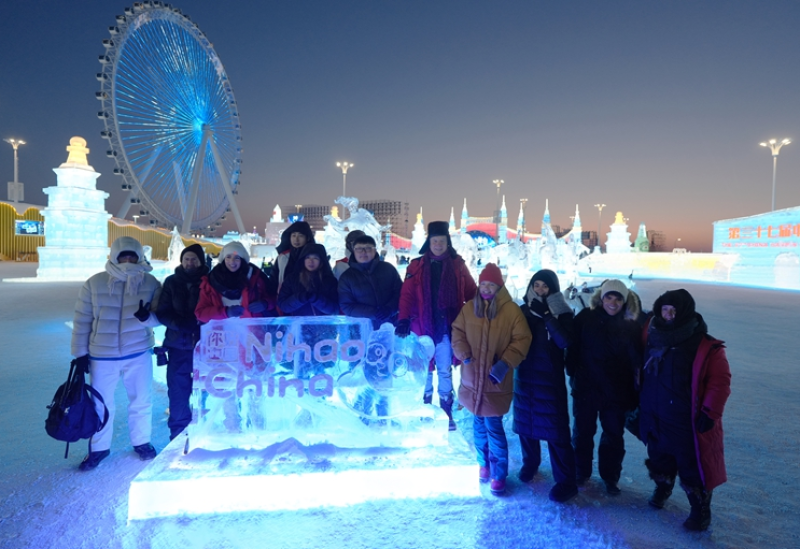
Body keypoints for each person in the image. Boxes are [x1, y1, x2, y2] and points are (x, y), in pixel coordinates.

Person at [640, 289, 731, 531]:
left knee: (691, 464)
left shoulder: (702, 344)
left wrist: (710, 412)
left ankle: (700, 508)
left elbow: (719, 380)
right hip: (654, 413)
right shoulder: (652, 336)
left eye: (674, 311)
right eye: (664, 310)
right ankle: (663, 487)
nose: (669, 315)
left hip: (684, 419)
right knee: (659, 457)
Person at [71, 236, 162, 471]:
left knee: (141, 400)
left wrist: (147, 318)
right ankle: (99, 447)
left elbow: (159, 317)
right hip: (102, 354)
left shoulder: (150, 283)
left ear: (140, 256)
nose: (128, 260)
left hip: (138, 351)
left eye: (132, 255)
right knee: (100, 403)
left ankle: (142, 441)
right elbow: (82, 320)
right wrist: (80, 354)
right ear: (114, 256)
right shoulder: (95, 283)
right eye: (124, 256)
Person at [451, 263, 532, 496]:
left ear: (499, 286)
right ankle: (483, 463)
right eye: (483, 284)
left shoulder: (512, 311)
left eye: (491, 285)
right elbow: (457, 331)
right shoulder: (470, 308)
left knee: (494, 427)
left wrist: (505, 362)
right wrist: (463, 353)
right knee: (477, 425)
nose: (486, 288)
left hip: (494, 381)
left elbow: (522, 339)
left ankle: (499, 473)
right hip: (472, 377)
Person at [396, 221, 477, 431]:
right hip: (423, 327)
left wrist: (480, 314)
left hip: (447, 328)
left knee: (444, 370)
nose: (438, 244)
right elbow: (407, 294)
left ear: (447, 242)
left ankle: (446, 412)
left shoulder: (458, 265)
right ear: (428, 242)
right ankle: (424, 411)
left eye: (442, 241)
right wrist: (403, 319)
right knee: (423, 371)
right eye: (435, 241)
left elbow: (471, 293)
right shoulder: (416, 266)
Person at [566, 278, 643, 495]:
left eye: (618, 298)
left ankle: (610, 477)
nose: (613, 302)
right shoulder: (586, 318)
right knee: (582, 432)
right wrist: (573, 373)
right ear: (601, 298)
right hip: (586, 388)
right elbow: (572, 348)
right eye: (609, 297)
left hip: (616, 393)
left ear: (624, 301)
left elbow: (637, 359)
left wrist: (633, 390)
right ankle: (581, 472)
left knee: (613, 436)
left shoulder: (631, 325)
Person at [513, 269, 579, 502]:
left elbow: (564, 342)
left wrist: (548, 317)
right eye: (537, 285)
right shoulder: (522, 311)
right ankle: (530, 464)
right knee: (525, 423)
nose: (540, 290)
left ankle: (566, 481)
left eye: (545, 286)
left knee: (556, 431)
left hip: (549, 378)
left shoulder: (563, 313)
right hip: (525, 374)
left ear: (553, 289)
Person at [154, 243, 208, 441]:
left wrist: (200, 325)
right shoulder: (171, 282)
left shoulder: (209, 281)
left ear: (201, 261)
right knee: (178, 392)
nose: (190, 262)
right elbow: (162, 312)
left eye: (194, 259)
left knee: (206, 389)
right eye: (186, 259)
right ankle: (178, 435)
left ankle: (205, 430)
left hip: (205, 347)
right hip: (178, 346)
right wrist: (180, 324)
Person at [195, 241, 274, 323]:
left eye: (237, 258)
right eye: (228, 257)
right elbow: (201, 313)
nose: (232, 261)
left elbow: (275, 298)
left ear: (242, 260)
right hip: (222, 332)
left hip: (252, 332)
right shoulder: (211, 282)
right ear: (223, 258)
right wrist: (225, 312)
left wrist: (266, 303)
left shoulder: (257, 278)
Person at [338, 234, 402, 330]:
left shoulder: (388, 269)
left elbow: (400, 292)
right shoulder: (347, 277)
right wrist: (373, 313)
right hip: (362, 328)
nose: (363, 252)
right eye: (359, 248)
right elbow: (346, 305)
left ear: (375, 250)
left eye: (368, 248)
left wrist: (390, 309)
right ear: (353, 251)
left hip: (391, 324)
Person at [277, 243, 339, 317]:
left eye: (315, 258)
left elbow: (334, 309)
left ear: (321, 261)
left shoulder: (330, 281)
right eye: (307, 257)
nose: (311, 261)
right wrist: (299, 298)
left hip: (323, 325)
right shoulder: (291, 279)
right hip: (297, 325)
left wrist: (317, 299)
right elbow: (283, 306)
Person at [267, 220, 315, 300]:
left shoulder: (314, 257)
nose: (296, 239)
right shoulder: (282, 257)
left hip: (308, 299)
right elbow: (274, 280)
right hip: (285, 300)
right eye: (293, 235)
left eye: (300, 236)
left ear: (308, 238)